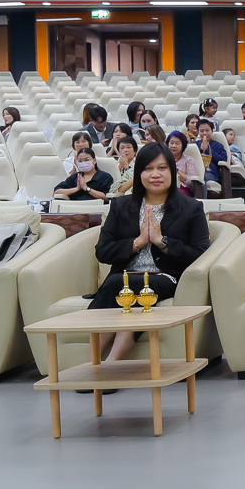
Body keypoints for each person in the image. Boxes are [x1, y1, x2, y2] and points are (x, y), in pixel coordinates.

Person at [87, 142, 212, 363]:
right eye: (148, 169)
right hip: (124, 277)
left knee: (129, 285)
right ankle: (99, 361)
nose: (155, 174)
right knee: (127, 289)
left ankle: (104, 363)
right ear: (138, 174)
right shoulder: (121, 206)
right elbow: (103, 252)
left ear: (173, 172)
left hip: (166, 277)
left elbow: (200, 253)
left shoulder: (191, 208)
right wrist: (137, 243)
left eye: (162, 168)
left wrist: (162, 242)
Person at [193, 118, 229, 192]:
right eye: (201, 131)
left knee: (202, 177)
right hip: (195, 171)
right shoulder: (194, 145)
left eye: (207, 130)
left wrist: (207, 150)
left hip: (211, 173)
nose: (205, 133)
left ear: (212, 131)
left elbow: (223, 159)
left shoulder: (218, 145)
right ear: (198, 132)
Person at [167, 130, 202, 196]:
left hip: (182, 190)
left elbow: (191, 182)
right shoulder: (163, 159)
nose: (173, 146)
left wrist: (175, 170)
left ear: (183, 146)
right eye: (171, 143)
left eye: (177, 143)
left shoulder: (189, 160)